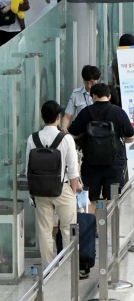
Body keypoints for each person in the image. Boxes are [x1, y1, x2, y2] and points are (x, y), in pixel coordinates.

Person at [27, 98, 82, 267]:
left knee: (45, 230)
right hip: (63, 188)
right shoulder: (66, 139)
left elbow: (30, 168)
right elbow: (73, 170)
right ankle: (69, 265)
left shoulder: (32, 138)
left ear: (43, 117)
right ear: (58, 117)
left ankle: (48, 268)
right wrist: (74, 192)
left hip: (41, 191)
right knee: (67, 228)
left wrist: (33, 193)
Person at [67, 83, 134, 212]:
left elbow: (72, 133)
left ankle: (93, 229)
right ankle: (110, 228)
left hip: (91, 163)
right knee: (113, 198)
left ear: (93, 96)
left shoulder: (86, 112)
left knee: (92, 199)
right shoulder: (118, 112)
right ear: (109, 96)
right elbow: (130, 136)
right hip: (114, 162)